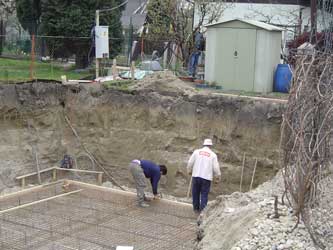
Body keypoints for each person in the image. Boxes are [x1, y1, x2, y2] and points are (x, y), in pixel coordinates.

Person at [187, 139, 221, 213]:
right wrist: (217, 176)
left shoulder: (196, 152)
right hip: (206, 178)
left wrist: (189, 170)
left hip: (196, 176)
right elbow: (216, 168)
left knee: (195, 193)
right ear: (210, 145)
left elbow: (190, 162)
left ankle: (196, 208)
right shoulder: (213, 155)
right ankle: (202, 211)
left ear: (203, 144)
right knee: (204, 194)